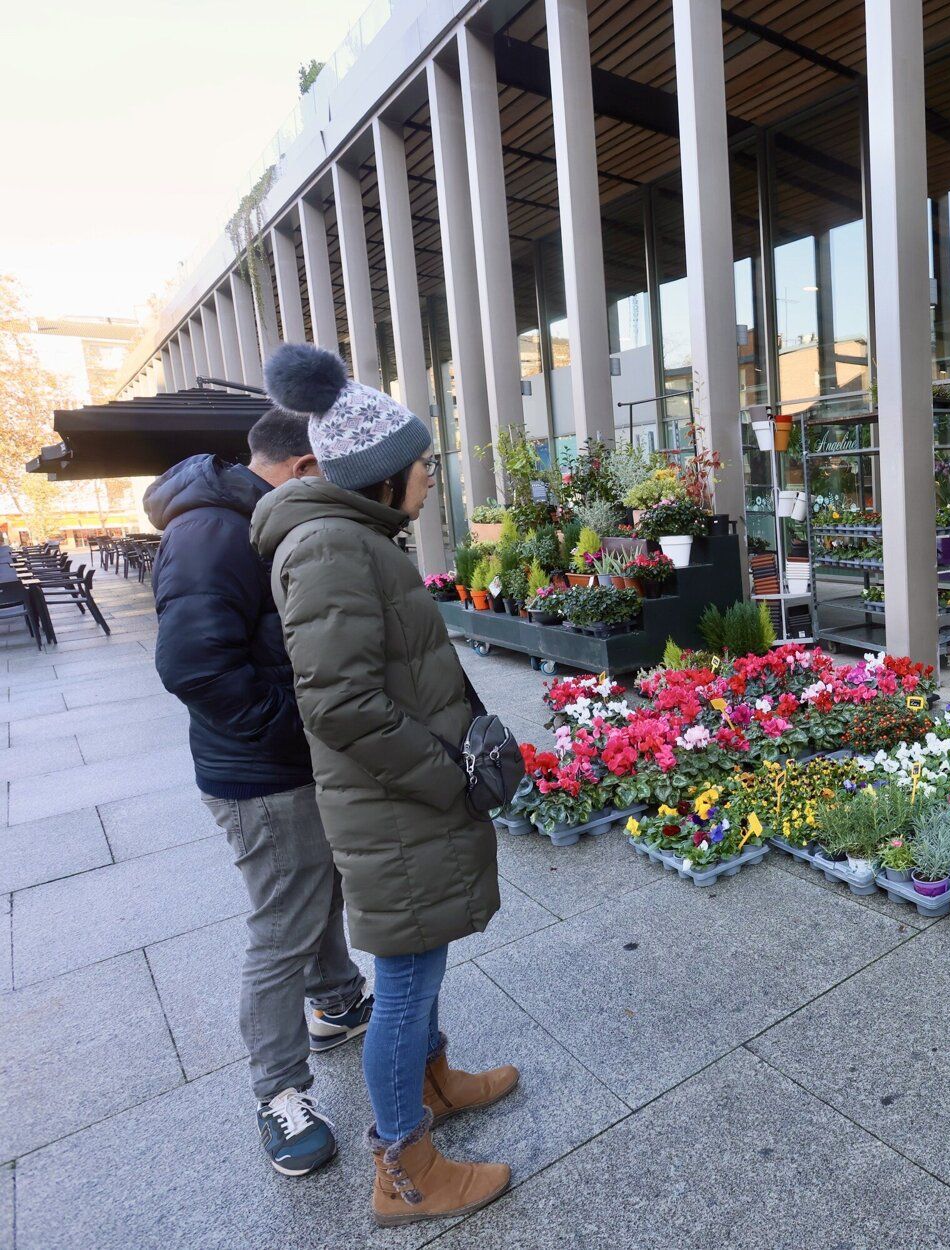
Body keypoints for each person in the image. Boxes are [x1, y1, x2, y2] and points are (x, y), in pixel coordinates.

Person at [252, 343, 515, 1227]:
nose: (433, 478)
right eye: (425, 464)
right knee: (402, 980)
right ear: (382, 473)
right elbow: (338, 702)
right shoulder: (330, 546)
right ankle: (403, 1167)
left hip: (401, 800)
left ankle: (434, 1085)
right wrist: (445, 775)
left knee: (423, 957)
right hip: (396, 803)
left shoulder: (352, 537)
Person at [146, 413, 372, 1178]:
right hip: (260, 773)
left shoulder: (246, 516)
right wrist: (291, 737)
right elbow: (193, 668)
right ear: (304, 463)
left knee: (318, 887)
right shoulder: (213, 531)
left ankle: (337, 1000)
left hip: (283, 761)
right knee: (283, 922)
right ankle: (279, 1093)